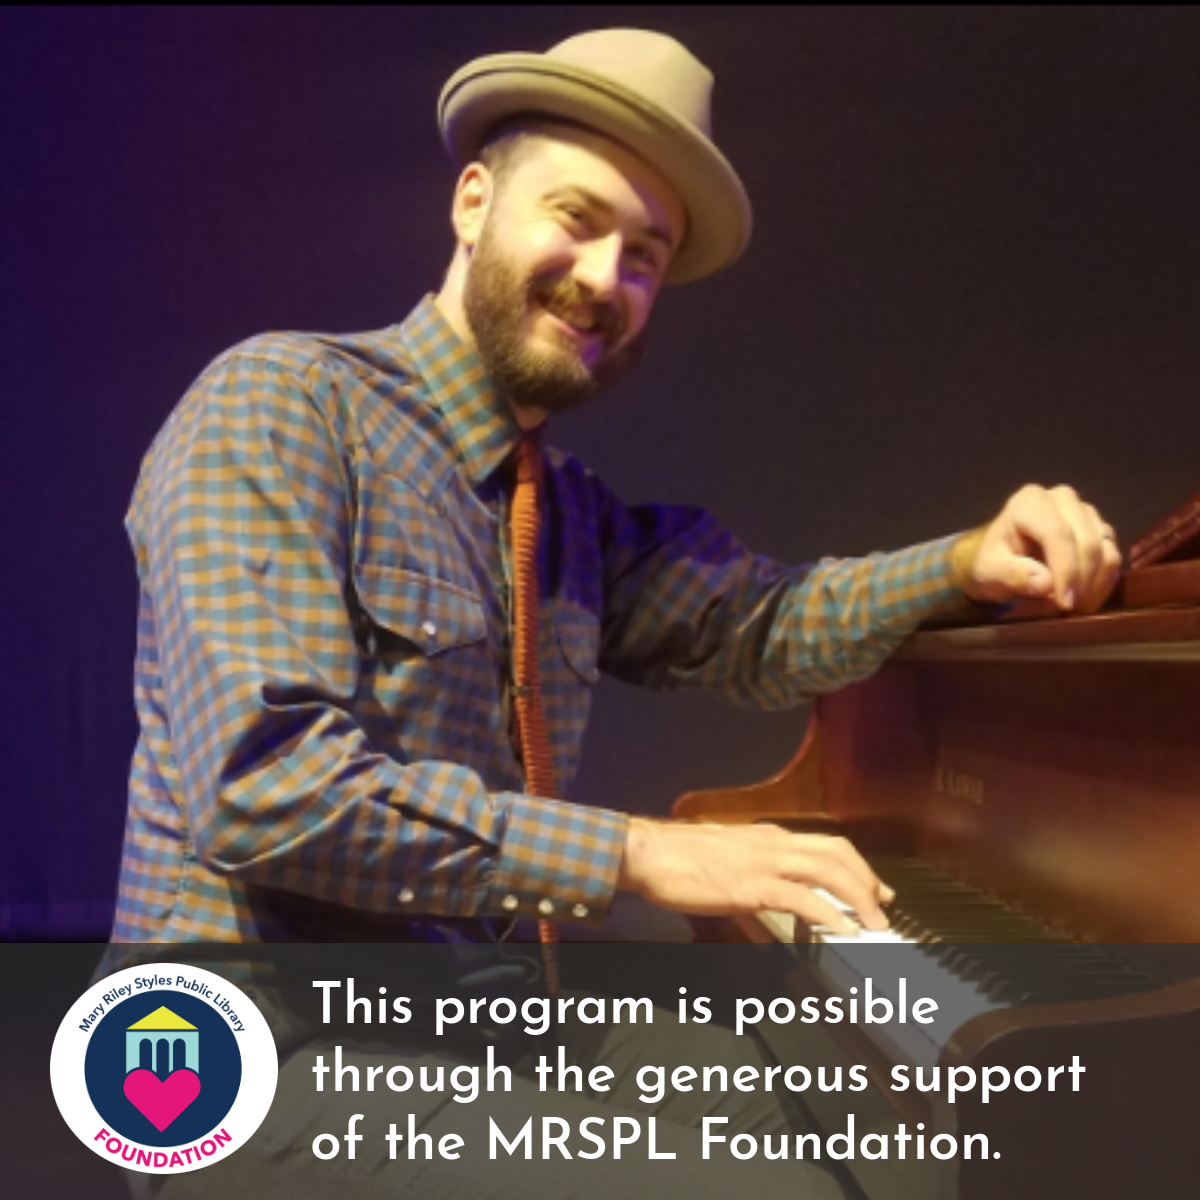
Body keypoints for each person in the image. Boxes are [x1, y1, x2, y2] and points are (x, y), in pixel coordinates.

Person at [110, 27, 1120, 948]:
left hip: (463, 1034)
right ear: (473, 203)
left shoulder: (565, 514)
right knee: (782, 1143)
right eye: (576, 217)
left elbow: (762, 624)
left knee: (813, 1104)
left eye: (645, 256)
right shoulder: (280, 404)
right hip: (254, 1058)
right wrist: (640, 855)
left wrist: (965, 562)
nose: (602, 278)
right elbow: (265, 792)